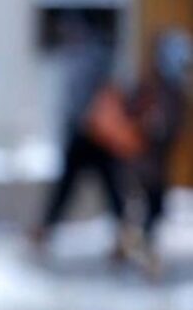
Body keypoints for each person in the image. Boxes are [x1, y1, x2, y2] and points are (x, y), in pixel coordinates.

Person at [31, 17, 127, 256]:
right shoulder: (83, 57)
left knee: (104, 186)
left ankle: (123, 235)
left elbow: (92, 97)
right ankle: (47, 229)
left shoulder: (91, 57)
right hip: (86, 133)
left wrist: (84, 119)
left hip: (93, 134)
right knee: (80, 186)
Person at [127, 29, 192, 277]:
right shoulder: (155, 87)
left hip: (154, 164)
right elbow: (137, 115)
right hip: (144, 164)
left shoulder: (172, 89)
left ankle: (139, 249)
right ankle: (144, 255)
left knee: (152, 209)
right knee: (147, 209)